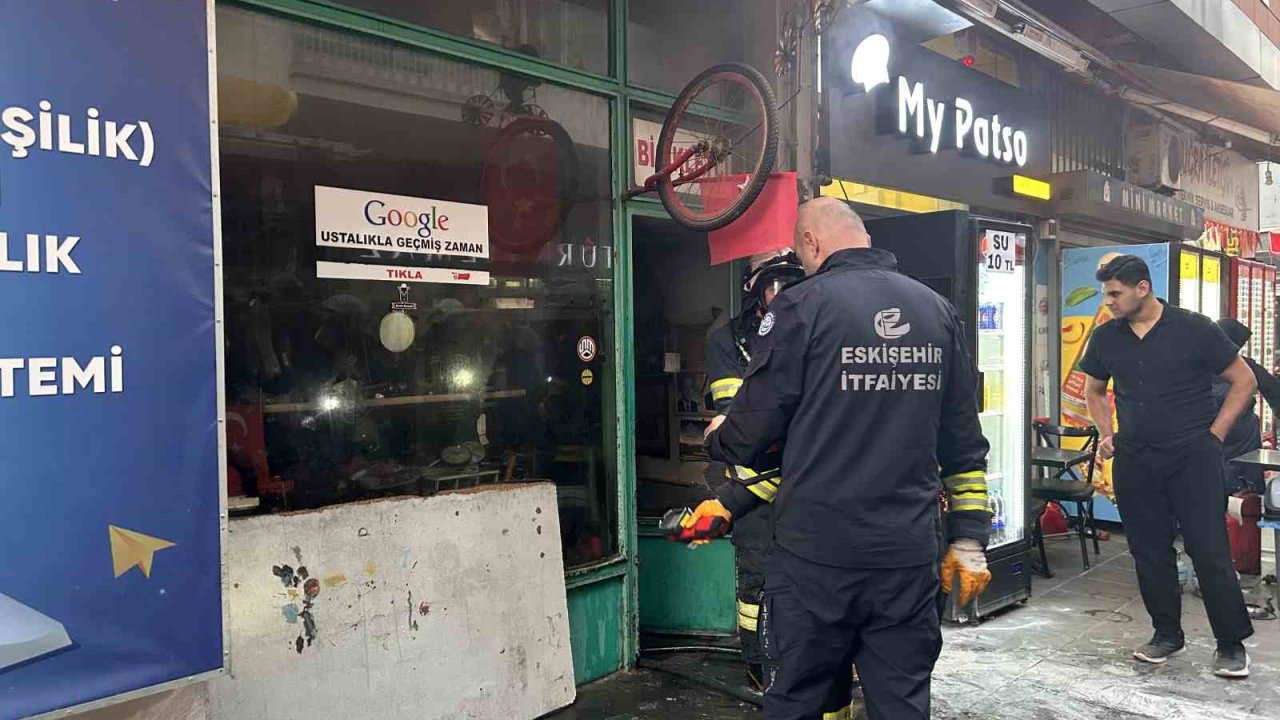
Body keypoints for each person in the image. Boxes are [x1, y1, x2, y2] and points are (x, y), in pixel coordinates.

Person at [690, 197, 994, 720]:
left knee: (801, 697)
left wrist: (718, 437)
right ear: (866, 239)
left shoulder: (802, 306)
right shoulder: (937, 311)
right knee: (901, 701)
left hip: (817, 558)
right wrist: (968, 539)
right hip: (907, 553)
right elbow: (963, 440)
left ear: (810, 242)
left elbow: (757, 432)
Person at [1079, 255, 1256, 679]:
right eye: (1106, 294)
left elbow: (1243, 380)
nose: (1109, 302)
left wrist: (1215, 435)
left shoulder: (1194, 328)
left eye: (1115, 293)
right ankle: (1166, 634)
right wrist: (1107, 435)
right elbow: (1094, 388)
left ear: (1142, 288)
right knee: (1148, 550)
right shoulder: (1106, 337)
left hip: (1193, 456)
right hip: (1136, 457)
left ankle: (1230, 643)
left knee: (1208, 549)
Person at [703, 249, 807, 692]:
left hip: (806, 477)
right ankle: (758, 663)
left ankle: (807, 660)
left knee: (807, 575)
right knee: (758, 576)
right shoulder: (727, 340)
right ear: (754, 292)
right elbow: (733, 418)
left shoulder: (810, 327)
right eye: (772, 285)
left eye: (789, 284)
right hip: (751, 477)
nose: (781, 294)